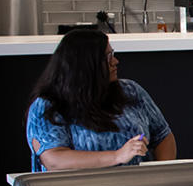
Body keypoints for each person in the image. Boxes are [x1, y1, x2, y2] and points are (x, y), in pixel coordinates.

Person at [25, 28, 177, 172]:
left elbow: (163, 136)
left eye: (113, 54)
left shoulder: (131, 90)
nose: (115, 61)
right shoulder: (48, 106)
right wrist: (117, 156)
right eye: (108, 57)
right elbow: (54, 160)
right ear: (84, 65)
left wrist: (160, 174)